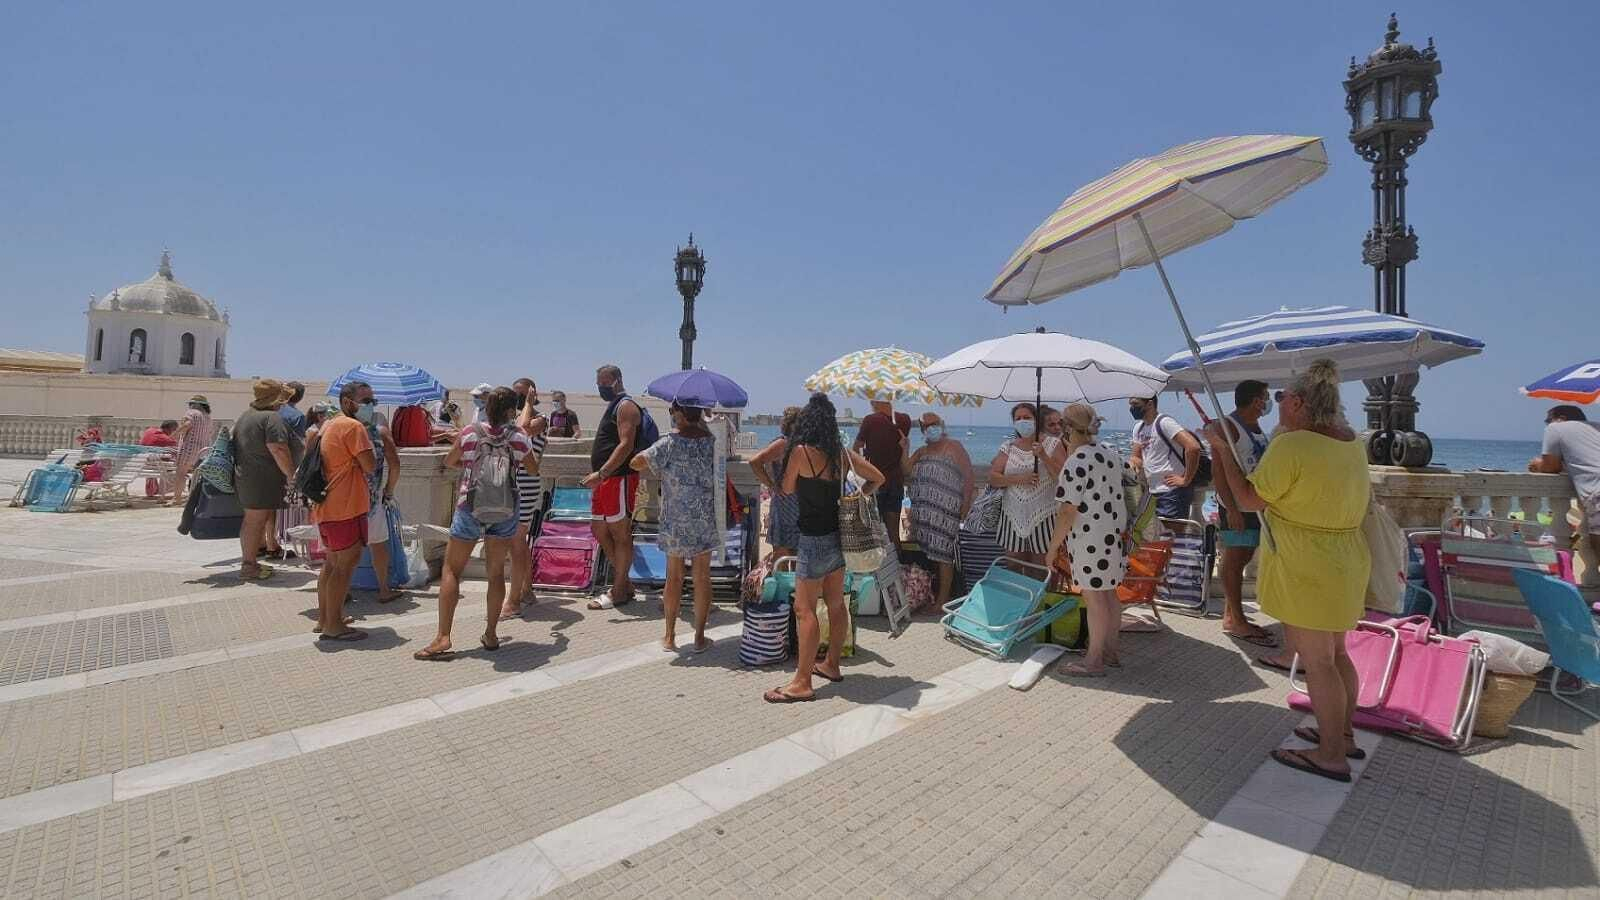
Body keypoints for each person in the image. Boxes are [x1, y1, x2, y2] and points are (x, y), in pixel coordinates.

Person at [1204, 359, 1370, 782]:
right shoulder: (1352, 441)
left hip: (1308, 561)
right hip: (1347, 557)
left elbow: (1248, 499)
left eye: (1280, 397)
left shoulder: (1293, 445)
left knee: (1319, 662)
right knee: (1337, 653)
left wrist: (1221, 449)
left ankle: (1330, 754)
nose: (1275, 405)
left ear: (1296, 402)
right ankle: (1343, 735)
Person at [765, 393, 883, 703]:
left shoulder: (800, 452)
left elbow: (786, 489)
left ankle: (802, 682)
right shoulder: (841, 454)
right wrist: (857, 497)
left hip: (812, 540)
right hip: (838, 537)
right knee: (835, 603)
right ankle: (832, 664)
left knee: (804, 610)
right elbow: (877, 477)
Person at [414, 387, 538, 660]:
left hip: (470, 507)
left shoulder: (470, 432)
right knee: (496, 573)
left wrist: (471, 468)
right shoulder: (519, 436)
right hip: (505, 509)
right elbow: (532, 468)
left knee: (451, 570)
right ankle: (491, 633)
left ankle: (443, 637)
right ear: (511, 411)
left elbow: (450, 461)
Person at [1045, 404, 1133, 676]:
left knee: (1094, 599)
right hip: (1113, 535)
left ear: (1067, 429)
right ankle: (1110, 651)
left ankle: (1093, 660)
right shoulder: (1109, 452)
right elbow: (1132, 475)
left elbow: (1067, 510)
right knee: (1109, 594)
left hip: (1088, 538)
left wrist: (1052, 548)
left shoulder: (1076, 462)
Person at [632, 403, 720, 652]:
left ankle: (670, 637)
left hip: (675, 519)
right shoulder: (712, 442)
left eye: (672, 411)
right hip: (704, 517)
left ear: (679, 414)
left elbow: (636, 462)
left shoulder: (669, 443)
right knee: (702, 577)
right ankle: (699, 637)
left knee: (674, 577)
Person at [1208, 380, 1281, 651]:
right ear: (1256, 400)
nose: (1268, 403)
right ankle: (1236, 620)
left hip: (1254, 502)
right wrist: (1232, 509)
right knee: (1235, 558)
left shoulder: (1256, 427)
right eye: (1265, 397)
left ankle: (1232, 613)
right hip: (1236, 505)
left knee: (1246, 555)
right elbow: (1218, 473)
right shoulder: (1228, 427)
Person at [311, 382, 378, 642]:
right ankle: (334, 626)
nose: (370, 405)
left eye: (372, 401)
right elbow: (369, 465)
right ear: (348, 402)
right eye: (366, 401)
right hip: (346, 506)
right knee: (345, 565)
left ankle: (326, 618)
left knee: (331, 564)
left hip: (327, 505)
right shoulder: (353, 427)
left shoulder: (329, 424)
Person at [582, 365, 643, 610]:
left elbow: (626, 444)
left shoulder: (626, 406)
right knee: (598, 529)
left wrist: (602, 473)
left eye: (604, 383)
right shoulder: (614, 405)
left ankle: (618, 591)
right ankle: (625, 584)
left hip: (618, 479)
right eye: (598, 383)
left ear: (617, 380)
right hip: (605, 481)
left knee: (620, 534)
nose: (601, 387)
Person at [907, 412, 975, 606]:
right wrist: (904, 448)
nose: (932, 428)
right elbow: (906, 470)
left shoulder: (954, 447)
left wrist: (965, 506)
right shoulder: (922, 451)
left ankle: (942, 600)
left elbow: (968, 477)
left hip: (947, 512)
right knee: (934, 554)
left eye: (935, 423)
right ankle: (937, 595)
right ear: (922, 430)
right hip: (926, 513)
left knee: (944, 554)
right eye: (927, 425)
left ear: (942, 424)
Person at [231, 380, 296, 581]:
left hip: (247, 478)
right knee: (255, 521)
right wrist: (291, 475)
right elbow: (278, 448)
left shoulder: (246, 416)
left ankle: (250, 562)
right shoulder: (271, 418)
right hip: (261, 480)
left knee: (253, 520)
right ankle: (248, 566)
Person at [988, 403, 1067, 567]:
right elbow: (993, 478)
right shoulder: (1008, 447)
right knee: (1013, 565)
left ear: (1036, 420)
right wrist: (1019, 479)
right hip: (1012, 516)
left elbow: (1064, 478)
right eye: (1018, 418)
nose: (1022, 421)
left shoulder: (1053, 444)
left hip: (1044, 516)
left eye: (1027, 417)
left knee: (1041, 567)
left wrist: (1043, 456)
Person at [1530, 405, 1600, 563]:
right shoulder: (1596, 428)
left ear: (1561, 418)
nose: (1547, 424)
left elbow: (1550, 466)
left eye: (1548, 420)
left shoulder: (1556, 428)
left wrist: (1537, 465)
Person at [503, 378, 549, 619]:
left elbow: (522, 431)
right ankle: (527, 591)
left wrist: (528, 404)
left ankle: (514, 600)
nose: (517, 398)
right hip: (510, 484)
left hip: (526, 485)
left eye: (521, 394)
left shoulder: (541, 419)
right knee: (517, 542)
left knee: (517, 541)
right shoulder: (510, 420)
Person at [1129, 394, 1204, 520]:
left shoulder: (1164, 423)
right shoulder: (1139, 428)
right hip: (1152, 491)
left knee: (1171, 531)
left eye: (1135, 404)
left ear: (1150, 404)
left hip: (1172, 492)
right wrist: (1133, 464)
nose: (1132, 408)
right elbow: (1136, 456)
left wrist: (1185, 479)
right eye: (1131, 405)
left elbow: (1193, 447)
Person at [362, 398, 404, 603]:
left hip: (341, 499)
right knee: (378, 544)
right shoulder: (379, 430)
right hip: (372, 499)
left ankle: (340, 594)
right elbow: (395, 464)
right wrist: (389, 490)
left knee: (340, 552)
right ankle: (384, 589)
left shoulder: (336, 426)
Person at [853, 400, 912, 546]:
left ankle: (880, 560)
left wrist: (867, 454)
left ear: (875, 402)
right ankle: (897, 559)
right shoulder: (905, 420)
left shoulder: (870, 420)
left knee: (873, 531)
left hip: (876, 481)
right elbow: (896, 445)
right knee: (893, 532)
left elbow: (855, 450)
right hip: (896, 481)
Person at [749, 406, 803, 561]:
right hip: (786, 504)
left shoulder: (797, 444)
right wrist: (771, 485)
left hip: (795, 505)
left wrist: (772, 485)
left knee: (793, 557)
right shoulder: (783, 444)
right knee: (784, 555)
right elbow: (755, 462)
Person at [169, 395, 214, 507]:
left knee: (181, 473)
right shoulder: (208, 417)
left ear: (195, 404)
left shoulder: (191, 413)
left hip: (189, 448)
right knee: (196, 476)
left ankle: (177, 498)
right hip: (203, 450)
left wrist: (174, 435)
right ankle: (194, 499)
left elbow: (186, 425)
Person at [139, 420, 178, 498]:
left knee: (163, 459)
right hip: (158, 466)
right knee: (177, 464)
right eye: (174, 430)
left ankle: (153, 488)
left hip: (144, 463)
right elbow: (176, 449)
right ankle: (166, 490)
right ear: (169, 429)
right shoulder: (167, 439)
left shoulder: (149, 431)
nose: (175, 432)